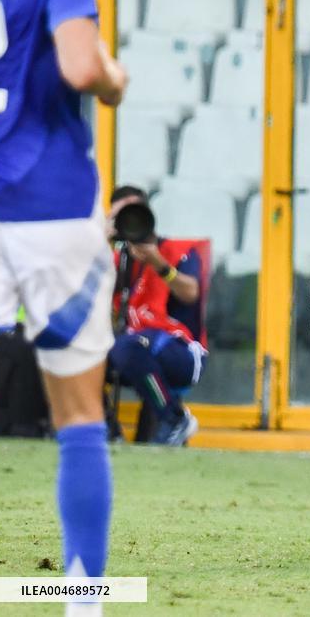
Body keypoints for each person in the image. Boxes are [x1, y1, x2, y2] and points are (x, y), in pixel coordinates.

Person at [0, 0, 127, 614]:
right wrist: (113, 78)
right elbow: (78, 64)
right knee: (78, 420)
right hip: (50, 203)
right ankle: (81, 601)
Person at [106, 186, 204, 446]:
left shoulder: (176, 249)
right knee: (79, 353)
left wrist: (158, 263)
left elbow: (191, 293)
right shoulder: (115, 258)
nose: (130, 220)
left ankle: (174, 419)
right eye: (121, 215)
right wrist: (102, 241)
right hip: (132, 348)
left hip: (181, 350)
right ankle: (108, 430)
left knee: (128, 345)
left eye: (134, 211)